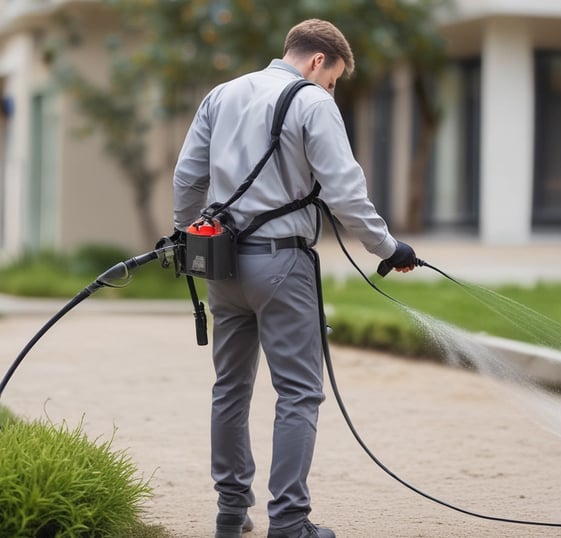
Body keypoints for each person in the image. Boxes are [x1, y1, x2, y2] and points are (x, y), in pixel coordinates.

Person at [171, 18, 417, 538]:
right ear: (317, 61)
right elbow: (345, 192)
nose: (329, 89)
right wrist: (388, 248)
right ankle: (289, 522)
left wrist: (188, 234)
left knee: (229, 391)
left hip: (221, 264)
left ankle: (231, 513)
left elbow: (188, 178)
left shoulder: (222, 94)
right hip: (282, 264)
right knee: (300, 394)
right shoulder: (311, 101)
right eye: (333, 80)